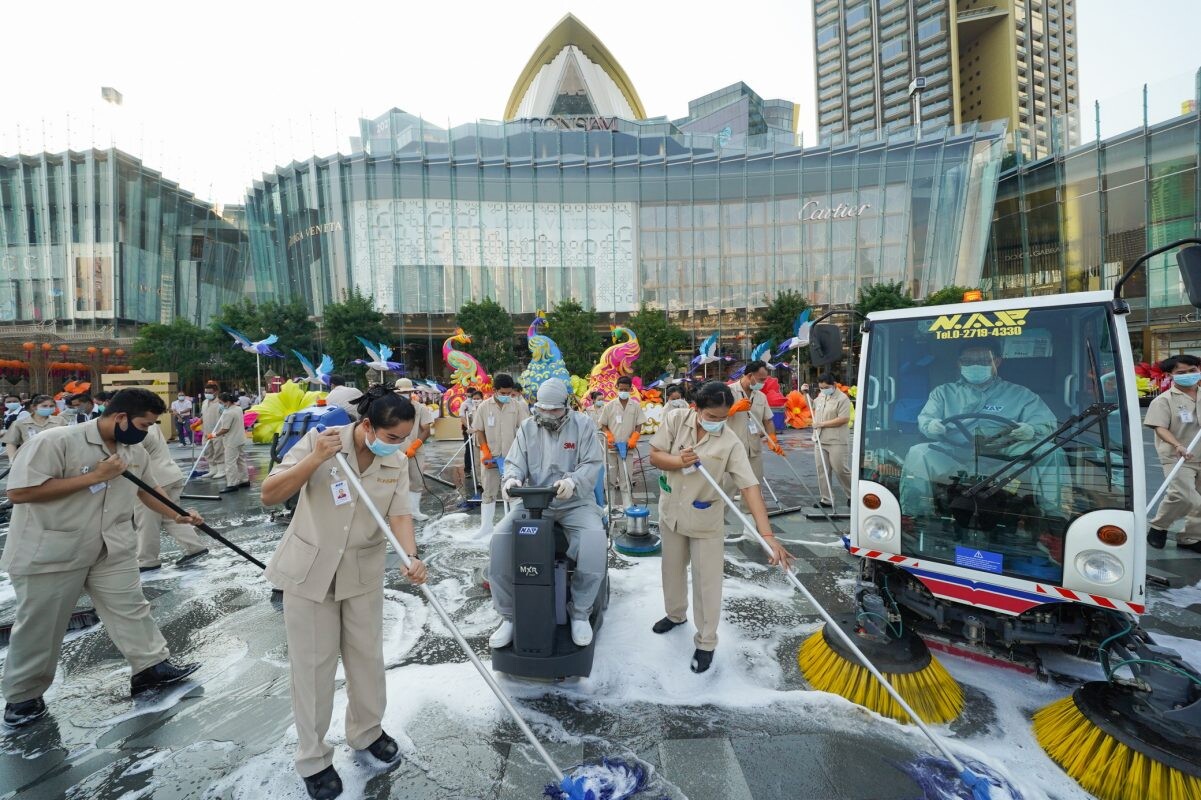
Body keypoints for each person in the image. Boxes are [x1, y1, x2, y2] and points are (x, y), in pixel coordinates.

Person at [1, 388, 204, 727]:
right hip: (54, 550)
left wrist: (178, 514)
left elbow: (147, 490)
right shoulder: (56, 441)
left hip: (111, 546)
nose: (146, 430)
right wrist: (94, 477)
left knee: (131, 608)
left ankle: (150, 668)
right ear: (120, 417)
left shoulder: (133, 449)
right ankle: (23, 696)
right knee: (41, 624)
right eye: (144, 423)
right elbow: (19, 492)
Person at [261, 386, 427, 800]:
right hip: (310, 572)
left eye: (404, 437)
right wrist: (316, 458)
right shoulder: (322, 442)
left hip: (362, 572)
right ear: (367, 426)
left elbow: (400, 512)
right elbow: (271, 493)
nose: (399, 445)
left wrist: (410, 556)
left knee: (367, 659)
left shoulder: (394, 462)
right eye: (392, 437)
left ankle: (367, 732)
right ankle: (314, 758)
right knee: (314, 668)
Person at [649, 381, 793, 673]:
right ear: (696, 408)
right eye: (711, 417)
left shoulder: (729, 442)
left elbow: (750, 487)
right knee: (672, 570)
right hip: (672, 513)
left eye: (723, 418)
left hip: (705, 518)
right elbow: (655, 455)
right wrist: (677, 461)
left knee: (707, 582)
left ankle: (705, 642)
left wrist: (767, 535)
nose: (717, 423)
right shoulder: (676, 420)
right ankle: (675, 615)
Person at [489, 379, 606, 649]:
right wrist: (512, 480)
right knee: (500, 540)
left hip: (574, 502)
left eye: (555, 410)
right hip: (533, 501)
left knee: (593, 541)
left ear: (566, 406)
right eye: (543, 410)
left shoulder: (583, 425)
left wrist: (573, 481)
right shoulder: (528, 427)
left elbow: (592, 463)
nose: (549, 415)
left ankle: (579, 612)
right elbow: (515, 463)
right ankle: (508, 616)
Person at [898, 341, 1060, 521]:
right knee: (918, 452)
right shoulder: (943, 393)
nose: (975, 365)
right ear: (959, 364)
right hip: (956, 454)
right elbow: (925, 420)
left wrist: (1032, 430)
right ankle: (914, 516)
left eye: (983, 360)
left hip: (1005, 457)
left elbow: (1048, 425)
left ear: (997, 362)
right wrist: (931, 425)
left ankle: (1053, 519)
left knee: (1050, 452)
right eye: (968, 361)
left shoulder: (1021, 394)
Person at [1145, 354, 1201, 550]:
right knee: (1185, 497)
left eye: (1192, 371)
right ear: (1171, 375)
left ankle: (1191, 537)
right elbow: (1160, 427)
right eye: (1181, 373)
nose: (1188, 375)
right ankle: (1158, 526)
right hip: (1177, 457)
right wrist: (1177, 445)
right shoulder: (1163, 400)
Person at [135, 424, 209, 571]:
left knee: (147, 521)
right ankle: (195, 547)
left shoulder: (136, 427)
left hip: (153, 481)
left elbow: (131, 456)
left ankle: (147, 560)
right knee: (171, 516)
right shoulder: (151, 424)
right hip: (171, 474)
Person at [470, 373, 530, 538]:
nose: (506, 396)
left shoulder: (516, 406)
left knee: (514, 491)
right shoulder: (484, 407)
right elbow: (479, 430)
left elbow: (525, 429)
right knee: (489, 491)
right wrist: (485, 450)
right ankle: (486, 527)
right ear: (494, 390)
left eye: (509, 393)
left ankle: (514, 525)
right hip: (491, 457)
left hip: (512, 458)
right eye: (503, 393)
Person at [725, 360, 785, 488]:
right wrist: (733, 409)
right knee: (727, 488)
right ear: (749, 375)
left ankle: (749, 509)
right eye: (761, 379)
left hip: (754, 449)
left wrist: (772, 438)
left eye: (765, 380)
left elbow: (768, 420)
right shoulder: (727, 392)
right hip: (732, 448)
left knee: (754, 487)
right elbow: (715, 417)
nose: (763, 383)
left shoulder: (761, 396)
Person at [599, 376, 647, 511]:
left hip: (628, 449)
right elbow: (603, 424)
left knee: (626, 478)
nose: (623, 392)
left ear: (631, 389)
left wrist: (633, 439)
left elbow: (639, 425)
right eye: (621, 389)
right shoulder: (609, 406)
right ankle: (611, 505)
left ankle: (627, 506)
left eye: (626, 389)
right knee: (610, 478)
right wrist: (609, 436)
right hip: (611, 449)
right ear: (617, 388)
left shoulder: (635, 406)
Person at [807, 374, 852, 508]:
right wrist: (805, 394)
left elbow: (843, 419)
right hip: (820, 439)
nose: (823, 390)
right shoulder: (821, 396)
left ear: (834, 385)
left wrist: (821, 424)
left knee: (840, 469)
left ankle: (852, 494)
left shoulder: (842, 399)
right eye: (821, 388)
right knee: (822, 470)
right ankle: (826, 499)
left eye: (826, 387)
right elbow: (812, 405)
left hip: (836, 440)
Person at [393, 378, 434, 521]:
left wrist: (415, 445)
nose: (405, 395)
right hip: (393, 450)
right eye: (401, 393)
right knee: (394, 480)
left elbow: (426, 430)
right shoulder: (389, 408)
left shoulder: (420, 408)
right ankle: (397, 512)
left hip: (415, 450)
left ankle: (415, 511)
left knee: (416, 480)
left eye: (407, 392)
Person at [3, 395, 65, 462]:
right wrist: (12, 459)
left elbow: (68, 440)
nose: (48, 408)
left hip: (56, 459)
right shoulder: (20, 423)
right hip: (29, 460)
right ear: (33, 407)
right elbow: (11, 443)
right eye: (44, 406)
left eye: (51, 406)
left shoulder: (60, 421)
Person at [210, 391, 249, 493]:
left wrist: (213, 435)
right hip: (240, 439)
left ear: (227, 402)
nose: (220, 405)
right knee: (241, 460)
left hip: (231, 441)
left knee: (230, 462)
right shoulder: (238, 409)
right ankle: (244, 480)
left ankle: (232, 484)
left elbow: (225, 429)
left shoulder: (228, 413)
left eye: (221, 402)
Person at [200, 382, 225, 481]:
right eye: (206, 392)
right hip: (206, 431)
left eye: (209, 392)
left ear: (216, 392)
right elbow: (204, 415)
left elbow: (226, 415)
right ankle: (213, 469)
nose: (207, 394)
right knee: (207, 451)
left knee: (218, 450)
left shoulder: (221, 403)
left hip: (217, 432)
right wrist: (198, 422)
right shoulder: (205, 402)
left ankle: (221, 470)